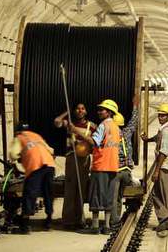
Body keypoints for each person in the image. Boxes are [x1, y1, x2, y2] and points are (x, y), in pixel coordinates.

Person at [69, 99, 120, 235]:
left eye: (101, 110)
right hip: (113, 166)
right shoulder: (116, 127)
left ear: (108, 112)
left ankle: (95, 226)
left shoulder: (103, 126)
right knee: (108, 196)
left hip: (101, 165)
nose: (99, 112)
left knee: (96, 195)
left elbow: (94, 141)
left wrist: (76, 131)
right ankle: (107, 226)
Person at [54, 103, 96, 230]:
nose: (80, 110)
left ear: (86, 111)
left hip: (84, 159)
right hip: (71, 158)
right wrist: (66, 112)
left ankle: (79, 219)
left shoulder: (92, 126)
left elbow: (94, 142)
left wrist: (77, 133)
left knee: (81, 189)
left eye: (83, 108)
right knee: (70, 189)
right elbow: (56, 121)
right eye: (77, 108)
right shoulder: (69, 124)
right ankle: (68, 220)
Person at [9, 122, 56, 233]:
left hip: (35, 166)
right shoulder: (36, 136)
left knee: (29, 193)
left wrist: (20, 157)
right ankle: (49, 221)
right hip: (49, 165)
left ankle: (25, 225)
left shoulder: (19, 138)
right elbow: (52, 150)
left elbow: (13, 155)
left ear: (17, 131)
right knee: (48, 193)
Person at [141, 103, 168, 238]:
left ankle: (165, 218)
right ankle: (167, 222)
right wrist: (148, 139)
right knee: (164, 195)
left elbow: (163, 152)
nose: (160, 117)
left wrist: (156, 171)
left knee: (156, 194)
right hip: (167, 166)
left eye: (163, 115)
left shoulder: (166, 131)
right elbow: (158, 139)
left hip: (164, 166)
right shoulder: (166, 128)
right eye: (159, 115)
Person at [111, 96, 139, 228]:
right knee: (120, 196)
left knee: (114, 197)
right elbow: (134, 122)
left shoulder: (110, 135)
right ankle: (117, 219)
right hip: (127, 172)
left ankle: (114, 221)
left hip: (116, 172)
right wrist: (135, 106)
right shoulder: (126, 133)